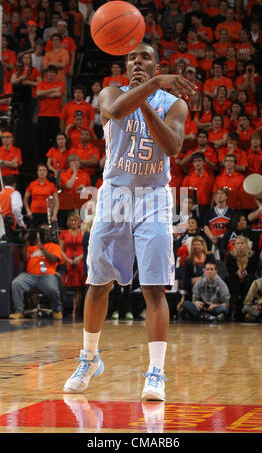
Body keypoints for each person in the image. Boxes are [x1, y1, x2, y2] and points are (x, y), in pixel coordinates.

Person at [63, 42, 194, 401]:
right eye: (133, 58)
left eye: (145, 57)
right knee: (99, 282)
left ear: (156, 65)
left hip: (153, 198)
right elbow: (118, 112)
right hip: (114, 196)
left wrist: (151, 98)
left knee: (154, 287)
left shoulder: (174, 104)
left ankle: (155, 372)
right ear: (126, 66)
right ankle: (89, 358)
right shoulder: (109, 92)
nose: (138, 61)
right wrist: (149, 87)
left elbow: (172, 147)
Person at [9, 224, 63, 320]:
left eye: (46, 233)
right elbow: (24, 258)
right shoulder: (30, 247)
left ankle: (56, 310)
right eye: (42, 233)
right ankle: (19, 311)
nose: (44, 235)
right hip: (30, 275)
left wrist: (41, 247)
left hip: (47, 275)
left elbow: (54, 259)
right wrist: (27, 242)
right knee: (16, 283)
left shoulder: (54, 246)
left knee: (53, 289)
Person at [59, 212, 85, 319]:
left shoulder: (83, 232)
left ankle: (75, 311)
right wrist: (68, 260)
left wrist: (79, 258)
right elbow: (60, 250)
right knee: (64, 287)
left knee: (78, 289)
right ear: (69, 222)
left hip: (80, 262)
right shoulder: (63, 233)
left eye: (75, 220)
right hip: (67, 262)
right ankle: (62, 310)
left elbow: (87, 248)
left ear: (79, 222)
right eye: (72, 220)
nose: (73, 222)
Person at [225, 235, 258, 321]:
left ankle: (247, 308)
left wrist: (246, 274)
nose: (240, 245)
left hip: (248, 278)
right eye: (238, 243)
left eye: (242, 243)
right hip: (234, 279)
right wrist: (237, 273)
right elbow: (229, 271)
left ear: (246, 245)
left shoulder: (253, 256)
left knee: (249, 280)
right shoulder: (230, 256)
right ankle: (233, 310)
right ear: (235, 245)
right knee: (233, 280)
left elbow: (253, 271)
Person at [23, 163, 59, 227]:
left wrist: (54, 214)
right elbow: (25, 198)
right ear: (37, 172)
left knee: (46, 233)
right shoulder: (32, 184)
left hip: (47, 214)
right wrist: (28, 211)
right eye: (40, 170)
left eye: (44, 170)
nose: (42, 172)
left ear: (47, 172)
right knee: (35, 233)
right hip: (34, 213)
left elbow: (57, 201)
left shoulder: (51, 185)